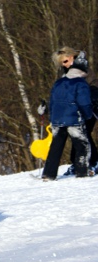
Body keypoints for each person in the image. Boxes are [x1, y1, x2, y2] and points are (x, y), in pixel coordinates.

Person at [41, 47, 94, 180]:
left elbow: (53, 100)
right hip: (74, 118)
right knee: (82, 144)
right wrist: (86, 114)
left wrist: (51, 116)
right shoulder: (80, 82)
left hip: (58, 119)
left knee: (56, 146)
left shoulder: (60, 81)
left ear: (72, 57)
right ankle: (82, 171)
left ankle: (48, 173)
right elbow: (83, 102)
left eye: (65, 62)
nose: (64, 65)